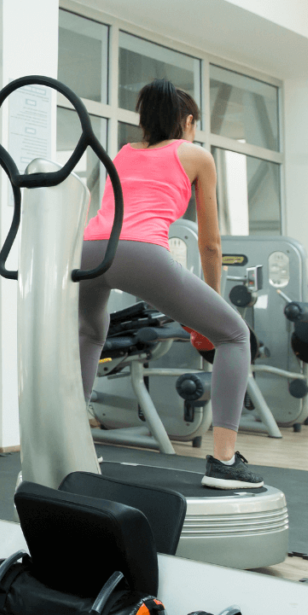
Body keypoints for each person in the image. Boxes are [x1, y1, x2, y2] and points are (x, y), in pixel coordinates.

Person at [78, 78, 263, 489]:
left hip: (89, 248)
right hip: (141, 253)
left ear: (144, 121)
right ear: (189, 122)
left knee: (90, 335)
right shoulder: (196, 155)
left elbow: (100, 208)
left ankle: (74, 446)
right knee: (233, 334)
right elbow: (211, 244)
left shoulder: (123, 153)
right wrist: (211, 312)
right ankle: (225, 462)